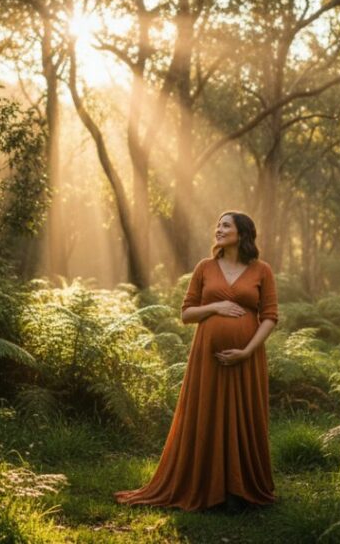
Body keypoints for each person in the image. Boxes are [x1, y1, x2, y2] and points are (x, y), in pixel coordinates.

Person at [114, 210, 279, 511]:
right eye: (217, 224)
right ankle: (208, 487)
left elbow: (269, 317)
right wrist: (216, 306)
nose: (218, 229)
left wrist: (247, 351)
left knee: (243, 416)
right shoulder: (205, 267)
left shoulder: (261, 270)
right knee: (208, 413)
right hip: (207, 359)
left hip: (247, 359)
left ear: (241, 233)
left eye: (225, 225)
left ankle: (239, 491)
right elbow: (187, 314)